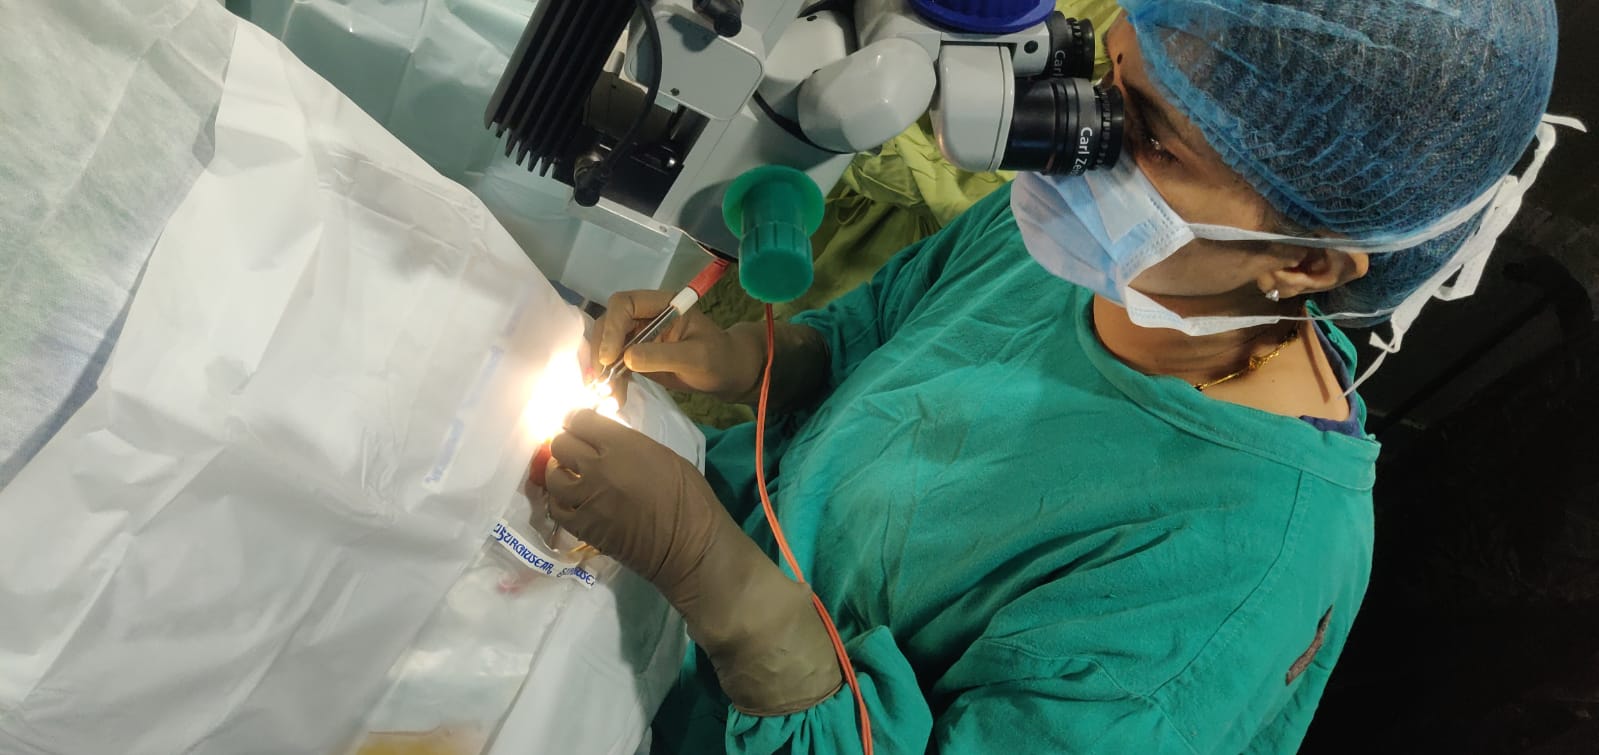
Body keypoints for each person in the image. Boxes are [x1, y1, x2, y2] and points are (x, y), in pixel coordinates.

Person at [535, 0, 1568, 752]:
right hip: (614, 648)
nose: (1073, 134)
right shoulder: (1088, 242)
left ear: (1303, 263)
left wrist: (714, 576)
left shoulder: (1238, 563)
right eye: (1104, 72)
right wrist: (755, 357)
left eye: (1150, 139)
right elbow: (884, 335)